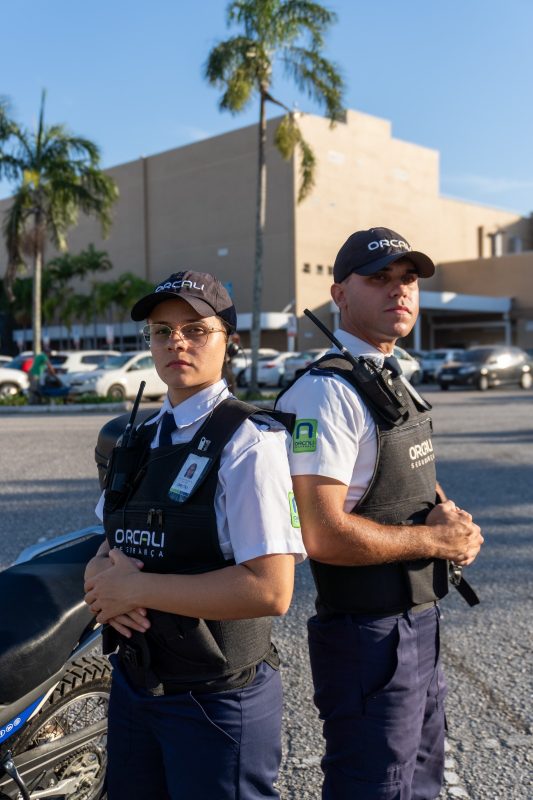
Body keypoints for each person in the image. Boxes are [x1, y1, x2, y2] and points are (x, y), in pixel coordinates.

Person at [276, 227, 483, 800]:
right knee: (374, 785)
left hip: (417, 621)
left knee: (420, 782)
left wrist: (453, 520)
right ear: (340, 295)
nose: (399, 291)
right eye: (380, 279)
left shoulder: (389, 378)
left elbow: (401, 472)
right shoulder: (325, 395)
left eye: (408, 279)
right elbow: (323, 534)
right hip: (367, 635)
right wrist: (435, 544)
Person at [84, 271, 306, 800]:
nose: (176, 342)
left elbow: (271, 591)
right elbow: (106, 542)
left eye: (195, 329)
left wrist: (136, 592)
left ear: (228, 341)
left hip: (215, 701)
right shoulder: (136, 438)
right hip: (137, 685)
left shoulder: (250, 443)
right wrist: (98, 579)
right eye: (162, 331)